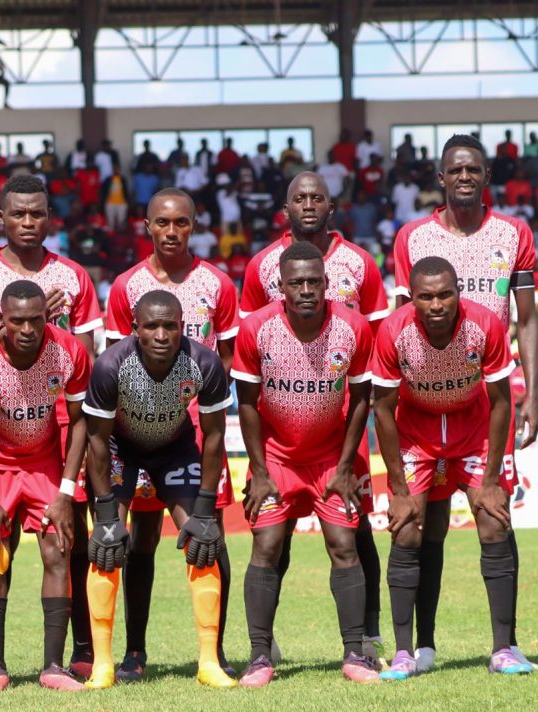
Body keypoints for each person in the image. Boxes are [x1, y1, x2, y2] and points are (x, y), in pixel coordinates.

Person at [392, 134, 538, 672]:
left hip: (487, 402)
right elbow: (405, 325)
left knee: (494, 516)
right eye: (455, 169)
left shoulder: (513, 233)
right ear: (440, 177)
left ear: (485, 176)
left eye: (473, 169)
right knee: (421, 525)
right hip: (423, 409)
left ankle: (505, 646)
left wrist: (532, 393)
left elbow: (524, 318)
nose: (464, 176)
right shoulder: (412, 237)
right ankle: (421, 648)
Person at [0, 173, 102, 677]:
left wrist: (54, 327)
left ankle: (71, 655)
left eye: (37, 214)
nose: (28, 222)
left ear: (50, 218)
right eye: (19, 213)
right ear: (2, 218)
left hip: (56, 434)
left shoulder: (75, 278)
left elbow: (88, 364)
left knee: (67, 543)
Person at [237, 171, 388, 660]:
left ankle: (366, 635)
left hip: (340, 428)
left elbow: (376, 347)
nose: (308, 204)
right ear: (285, 208)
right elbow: (257, 350)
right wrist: (257, 465)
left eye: (316, 197)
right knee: (271, 537)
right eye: (299, 198)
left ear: (331, 205)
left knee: (355, 529)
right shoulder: (262, 266)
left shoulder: (361, 264)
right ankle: (265, 644)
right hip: (280, 430)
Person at [372, 256, 532, 679]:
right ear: (412, 298)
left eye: (445, 294)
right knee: (407, 528)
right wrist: (400, 490)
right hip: (417, 435)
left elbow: (501, 400)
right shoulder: (392, 331)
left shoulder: (485, 325)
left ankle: (504, 649)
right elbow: (383, 410)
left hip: (473, 430)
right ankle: (406, 653)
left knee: (495, 521)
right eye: (426, 296)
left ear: (459, 293)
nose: (437, 304)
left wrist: (493, 479)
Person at [103, 187, 239, 681]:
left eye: (181, 222)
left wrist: (201, 407)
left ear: (194, 225)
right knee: (139, 539)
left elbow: (223, 360)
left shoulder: (219, 284)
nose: (171, 231)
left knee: (210, 537)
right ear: (147, 227)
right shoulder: (125, 287)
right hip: (137, 433)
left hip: (196, 434)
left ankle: (215, 653)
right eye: (162, 223)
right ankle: (134, 652)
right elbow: (119, 363)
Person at [83, 290, 236, 689]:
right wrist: (103, 513)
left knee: (204, 541)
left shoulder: (204, 362)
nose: (162, 334)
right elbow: (96, 442)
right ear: (135, 329)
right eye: (152, 325)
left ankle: (209, 661)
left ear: (182, 326)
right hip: (121, 450)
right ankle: (104, 664)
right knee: (108, 543)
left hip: (175, 449)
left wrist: (204, 509)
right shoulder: (110, 366)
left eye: (170, 325)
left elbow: (215, 435)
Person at [0, 280, 91, 692]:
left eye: (36, 319)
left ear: (46, 316)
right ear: (1, 318)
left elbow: (80, 422)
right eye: (17, 321)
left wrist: (67, 491)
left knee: (58, 549)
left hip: (44, 460)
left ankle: (54, 665)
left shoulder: (69, 351)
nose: (27, 329)